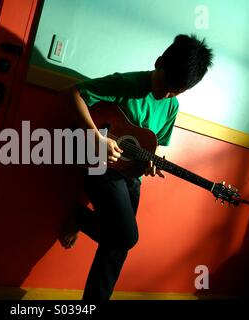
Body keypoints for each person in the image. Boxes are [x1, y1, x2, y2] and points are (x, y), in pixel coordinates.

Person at [59, 34, 214, 300]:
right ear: (159, 63)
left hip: (130, 175)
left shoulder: (171, 106)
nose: (167, 94)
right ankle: (81, 217)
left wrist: (151, 163)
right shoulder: (126, 83)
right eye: (167, 84)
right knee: (126, 238)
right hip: (98, 165)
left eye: (176, 91)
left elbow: (157, 145)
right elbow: (74, 93)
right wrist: (97, 137)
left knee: (117, 246)